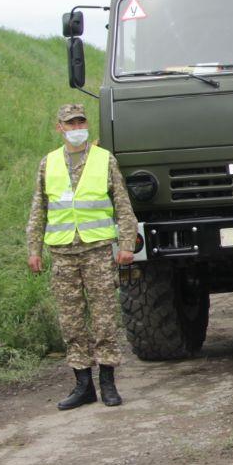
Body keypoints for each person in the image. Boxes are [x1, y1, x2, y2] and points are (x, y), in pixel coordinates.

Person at [26, 104, 139, 410]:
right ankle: (82, 385)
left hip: (97, 250)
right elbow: (39, 210)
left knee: (103, 317)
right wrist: (33, 249)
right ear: (59, 127)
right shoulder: (48, 163)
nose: (76, 127)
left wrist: (127, 243)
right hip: (63, 253)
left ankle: (108, 383)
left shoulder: (104, 160)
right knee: (71, 321)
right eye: (70, 123)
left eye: (81, 121)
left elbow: (122, 204)